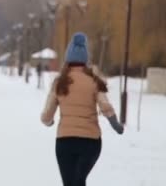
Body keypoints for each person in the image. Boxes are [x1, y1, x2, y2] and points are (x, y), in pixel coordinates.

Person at [40, 32, 123, 186]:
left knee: (70, 183)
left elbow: (46, 116)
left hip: (65, 142)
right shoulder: (94, 81)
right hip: (90, 143)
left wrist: (50, 122)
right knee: (79, 181)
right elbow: (105, 105)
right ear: (86, 59)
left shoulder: (59, 82)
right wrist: (115, 123)